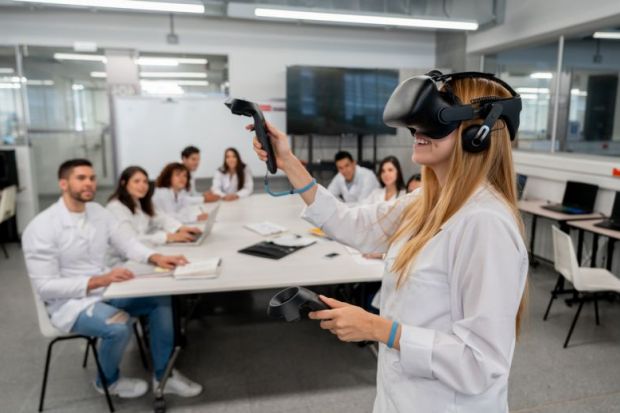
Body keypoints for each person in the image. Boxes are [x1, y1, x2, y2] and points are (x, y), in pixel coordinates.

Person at [250, 73, 528, 412]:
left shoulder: (486, 225)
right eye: (416, 125)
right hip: (400, 397)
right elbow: (352, 224)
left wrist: (377, 327)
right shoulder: (425, 200)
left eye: (433, 123)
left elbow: (481, 364)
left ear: (478, 135)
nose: (418, 133)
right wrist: (288, 161)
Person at [22, 159, 203, 399]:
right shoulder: (42, 227)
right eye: (81, 178)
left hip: (107, 291)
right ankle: (107, 381)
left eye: (92, 178)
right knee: (118, 325)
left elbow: (127, 244)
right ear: (63, 183)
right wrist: (101, 279)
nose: (89, 183)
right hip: (71, 303)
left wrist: (155, 257)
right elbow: (46, 287)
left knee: (160, 300)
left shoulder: (97, 212)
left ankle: (164, 375)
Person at [107, 166, 202, 260]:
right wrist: (167, 237)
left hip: (139, 254)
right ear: (124, 183)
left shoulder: (139, 202)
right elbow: (131, 242)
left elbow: (161, 218)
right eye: (136, 181)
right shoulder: (116, 208)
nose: (142, 186)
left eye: (145, 182)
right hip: (120, 261)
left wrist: (181, 228)